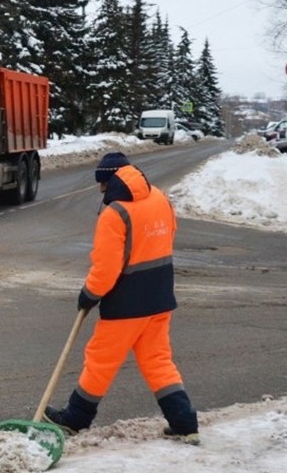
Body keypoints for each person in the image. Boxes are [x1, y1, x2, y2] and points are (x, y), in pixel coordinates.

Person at [44, 152, 200, 445]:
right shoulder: (160, 199)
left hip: (127, 304)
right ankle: (184, 422)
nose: (101, 191)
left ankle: (75, 419)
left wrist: (89, 295)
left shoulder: (115, 214)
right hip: (160, 297)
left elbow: (106, 269)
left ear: (110, 181)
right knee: (158, 361)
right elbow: (167, 238)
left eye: (102, 185)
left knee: (100, 360)